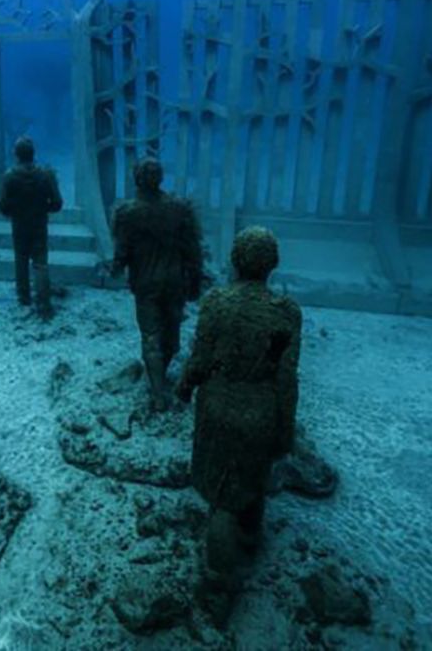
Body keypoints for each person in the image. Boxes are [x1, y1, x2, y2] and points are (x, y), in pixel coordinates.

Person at [176, 226, 302, 623]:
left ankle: (219, 587)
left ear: (234, 260)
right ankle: (248, 542)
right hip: (261, 411)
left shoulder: (217, 302)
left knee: (222, 502)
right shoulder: (286, 313)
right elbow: (286, 378)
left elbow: (200, 358)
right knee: (251, 482)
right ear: (273, 263)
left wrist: (183, 387)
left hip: (218, 407)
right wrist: (285, 430)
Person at [108, 158, 206, 411]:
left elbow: (122, 253)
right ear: (160, 177)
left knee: (151, 336)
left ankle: (158, 392)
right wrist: (195, 281)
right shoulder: (180, 209)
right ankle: (159, 376)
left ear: (137, 179)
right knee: (171, 335)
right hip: (175, 282)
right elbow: (193, 251)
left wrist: (115, 269)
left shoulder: (127, 213)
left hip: (145, 283)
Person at [0, 136, 63, 319]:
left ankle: (23, 297)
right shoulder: (46, 174)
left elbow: (2, 205)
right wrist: (43, 209)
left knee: (21, 259)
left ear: (16, 154)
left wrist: (13, 212)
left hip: (19, 224)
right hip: (39, 223)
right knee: (40, 262)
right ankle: (43, 300)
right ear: (33, 154)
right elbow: (57, 203)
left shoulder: (9, 176)